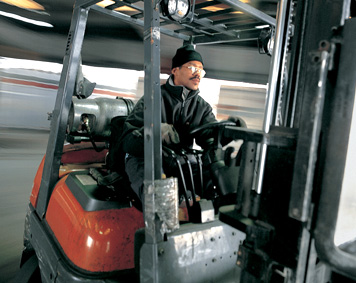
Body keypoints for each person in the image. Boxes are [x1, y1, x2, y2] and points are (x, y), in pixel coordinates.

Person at [119, 44, 242, 204]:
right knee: (159, 196)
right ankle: (160, 224)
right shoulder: (153, 98)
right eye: (192, 67)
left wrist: (227, 132)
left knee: (217, 184)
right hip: (145, 158)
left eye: (201, 70)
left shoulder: (201, 107)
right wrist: (154, 133)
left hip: (178, 159)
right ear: (175, 70)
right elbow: (129, 141)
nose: (198, 74)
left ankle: (215, 219)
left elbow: (209, 138)